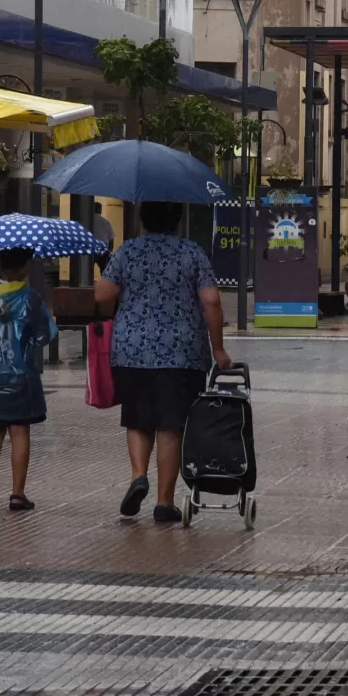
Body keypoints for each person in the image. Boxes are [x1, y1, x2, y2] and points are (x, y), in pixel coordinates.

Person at [95, 202, 231, 523]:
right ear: (177, 221)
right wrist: (219, 349)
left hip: (132, 348)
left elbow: (102, 295)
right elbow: (211, 300)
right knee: (171, 424)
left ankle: (138, 476)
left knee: (138, 419)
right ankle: (163, 502)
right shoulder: (191, 252)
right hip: (182, 352)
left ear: (143, 221)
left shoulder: (128, 252)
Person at [0, 247, 56, 512]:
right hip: (19, 377)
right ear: (26, 265)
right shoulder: (29, 298)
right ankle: (17, 494)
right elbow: (44, 335)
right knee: (19, 432)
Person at [90, 202, 115, 273]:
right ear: (100, 210)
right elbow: (111, 239)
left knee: (88, 271)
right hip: (103, 248)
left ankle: (89, 282)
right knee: (104, 270)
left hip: (92, 247)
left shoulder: (88, 221)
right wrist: (110, 252)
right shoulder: (106, 222)